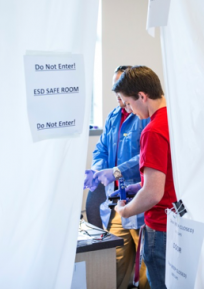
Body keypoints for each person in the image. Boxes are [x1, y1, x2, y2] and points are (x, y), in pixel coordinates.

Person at [84, 65, 150, 289]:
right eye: (115, 90)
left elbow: (145, 156)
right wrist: (97, 170)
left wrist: (115, 171)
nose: (117, 96)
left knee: (145, 269)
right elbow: (101, 148)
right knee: (114, 260)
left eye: (120, 91)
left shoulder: (143, 115)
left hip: (141, 200)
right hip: (118, 202)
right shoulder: (114, 116)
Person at [112, 66, 177, 289]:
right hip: (177, 221)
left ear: (142, 96)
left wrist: (125, 211)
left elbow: (152, 193)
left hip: (160, 227)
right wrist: (138, 186)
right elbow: (166, 176)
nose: (128, 110)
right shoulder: (175, 118)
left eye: (128, 103)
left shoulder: (152, 130)